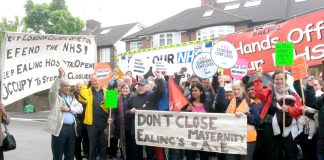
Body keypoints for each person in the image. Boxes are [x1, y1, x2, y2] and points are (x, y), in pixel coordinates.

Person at [253, 67, 302, 160]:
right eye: (277, 79)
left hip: (289, 125)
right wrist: (259, 77)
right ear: (273, 80)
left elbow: (298, 110)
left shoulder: (293, 94)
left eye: (281, 79)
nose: (279, 81)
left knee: (290, 151)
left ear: (286, 80)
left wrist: (288, 109)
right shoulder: (269, 91)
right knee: (273, 152)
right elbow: (259, 93)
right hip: (270, 124)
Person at [127, 70, 166, 160]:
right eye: (139, 85)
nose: (140, 87)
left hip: (149, 130)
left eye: (142, 85)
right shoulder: (133, 98)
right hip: (136, 130)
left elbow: (161, 91)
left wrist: (159, 77)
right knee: (137, 153)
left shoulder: (152, 95)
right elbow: (127, 111)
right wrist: (130, 111)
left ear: (148, 87)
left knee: (150, 153)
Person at [46, 67, 83, 160]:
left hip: (71, 129)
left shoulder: (71, 97)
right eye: (65, 86)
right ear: (60, 87)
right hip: (60, 129)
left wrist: (69, 109)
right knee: (58, 154)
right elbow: (53, 90)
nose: (68, 87)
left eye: (68, 85)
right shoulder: (54, 98)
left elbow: (80, 109)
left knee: (70, 155)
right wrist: (59, 77)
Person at [220, 80, 260, 160]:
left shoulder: (250, 102)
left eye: (238, 89)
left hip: (247, 139)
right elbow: (219, 102)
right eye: (234, 89)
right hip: (231, 138)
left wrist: (245, 115)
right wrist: (221, 86)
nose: (236, 91)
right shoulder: (228, 102)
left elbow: (257, 119)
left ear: (243, 89)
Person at [78, 75, 108, 160]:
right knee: (92, 144)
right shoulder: (87, 91)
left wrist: (111, 118)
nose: (95, 82)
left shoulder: (107, 91)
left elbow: (112, 108)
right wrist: (84, 85)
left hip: (104, 122)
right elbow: (81, 97)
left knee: (103, 144)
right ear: (91, 82)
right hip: (91, 123)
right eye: (93, 81)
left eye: (96, 80)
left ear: (100, 80)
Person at [185, 82, 214, 160]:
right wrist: (187, 110)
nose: (193, 92)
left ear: (201, 92)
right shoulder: (188, 103)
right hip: (191, 136)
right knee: (190, 157)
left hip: (204, 137)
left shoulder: (207, 103)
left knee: (204, 157)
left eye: (196, 90)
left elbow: (213, 118)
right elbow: (182, 118)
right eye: (192, 91)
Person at [109, 83, 133, 160]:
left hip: (130, 126)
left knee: (129, 144)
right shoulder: (115, 97)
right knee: (118, 142)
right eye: (123, 88)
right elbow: (113, 112)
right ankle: (121, 156)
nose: (125, 89)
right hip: (119, 125)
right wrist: (111, 118)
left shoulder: (133, 98)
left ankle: (128, 157)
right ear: (121, 89)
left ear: (130, 90)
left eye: (127, 88)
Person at [305, 78, 324, 160]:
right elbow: (312, 103)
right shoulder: (322, 98)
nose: (315, 87)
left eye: (316, 85)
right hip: (322, 145)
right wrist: (309, 86)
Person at [73, 82, 89, 160]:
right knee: (77, 140)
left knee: (87, 139)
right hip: (77, 122)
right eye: (77, 87)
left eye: (80, 87)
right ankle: (78, 156)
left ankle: (87, 153)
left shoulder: (87, 95)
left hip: (87, 121)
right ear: (75, 88)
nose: (79, 88)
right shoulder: (72, 97)